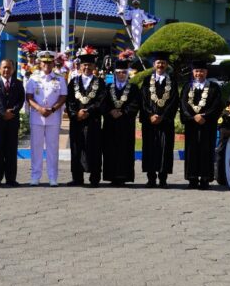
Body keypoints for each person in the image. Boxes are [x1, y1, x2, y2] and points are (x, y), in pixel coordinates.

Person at [25, 51, 67, 186]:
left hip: (53, 117)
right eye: (44, 62)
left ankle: (53, 177)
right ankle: (35, 177)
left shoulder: (60, 79)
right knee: (36, 147)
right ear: (40, 63)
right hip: (37, 117)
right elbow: (29, 97)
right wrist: (39, 108)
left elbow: (63, 96)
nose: (47, 65)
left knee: (52, 147)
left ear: (53, 63)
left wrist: (53, 109)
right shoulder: (33, 78)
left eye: (49, 62)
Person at [180, 59, 223, 189]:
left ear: (206, 72)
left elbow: (217, 105)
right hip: (191, 124)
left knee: (206, 150)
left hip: (207, 124)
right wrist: (192, 117)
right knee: (191, 150)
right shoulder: (187, 87)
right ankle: (192, 178)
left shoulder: (214, 87)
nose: (199, 73)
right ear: (193, 72)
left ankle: (205, 179)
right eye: (196, 71)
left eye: (202, 71)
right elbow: (183, 105)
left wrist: (204, 116)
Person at [66, 48, 105, 187]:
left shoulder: (100, 82)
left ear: (94, 66)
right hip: (77, 121)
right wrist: (76, 114)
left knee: (94, 149)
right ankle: (77, 178)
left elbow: (101, 100)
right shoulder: (73, 82)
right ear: (80, 66)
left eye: (89, 65)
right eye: (84, 65)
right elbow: (69, 100)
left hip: (92, 121)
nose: (87, 67)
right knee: (76, 148)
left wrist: (88, 111)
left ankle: (94, 178)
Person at [140, 51, 179, 188]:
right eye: (158, 62)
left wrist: (163, 116)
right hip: (149, 122)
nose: (160, 65)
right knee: (149, 148)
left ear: (166, 65)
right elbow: (143, 100)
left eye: (163, 63)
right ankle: (151, 178)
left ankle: (163, 179)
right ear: (154, 64)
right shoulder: (147, 80)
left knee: (165, 149)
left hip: (165, 122)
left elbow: (174, 101)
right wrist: (150, 115)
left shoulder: (172, 81)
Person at [0, 59, 26, 187]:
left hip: (12, 121)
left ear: (13, 70)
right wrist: (3, 112)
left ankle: (11, 179)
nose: (6, 70)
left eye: (9, 67)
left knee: (11, 150)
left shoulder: (18, 84)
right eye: (4, 67)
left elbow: (21, 100)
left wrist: (13, 111)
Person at [101, 56, 139, 186]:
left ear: (127, 73)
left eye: (123, 72)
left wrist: (123, 112)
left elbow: (135, 104)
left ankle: (123, 177)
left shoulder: (133, 88)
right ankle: (111, 176)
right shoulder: (108, 87)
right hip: (110, 124)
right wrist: (110, 111)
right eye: (118, 72)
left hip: (126, 124)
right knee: (110, 149)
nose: (121, 75)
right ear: (115, 73)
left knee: (125, 149)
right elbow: (103, 103)